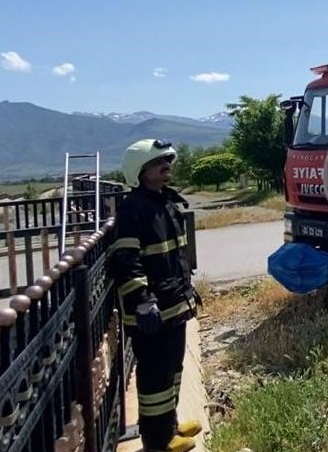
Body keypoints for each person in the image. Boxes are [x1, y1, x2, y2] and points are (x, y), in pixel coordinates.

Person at [110, 139, 201, 452]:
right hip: (153, 313)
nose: (167, 168)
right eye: (158, 163)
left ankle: (171, 425)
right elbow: (126, 261)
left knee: (173, 371)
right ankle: (158, 441)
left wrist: (188, 291)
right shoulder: (134, 210)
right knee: (155, 381)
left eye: (168, 161)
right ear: (140, 171)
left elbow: (175, 258)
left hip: (174, 306)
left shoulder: (165, 203)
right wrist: (143, 300)